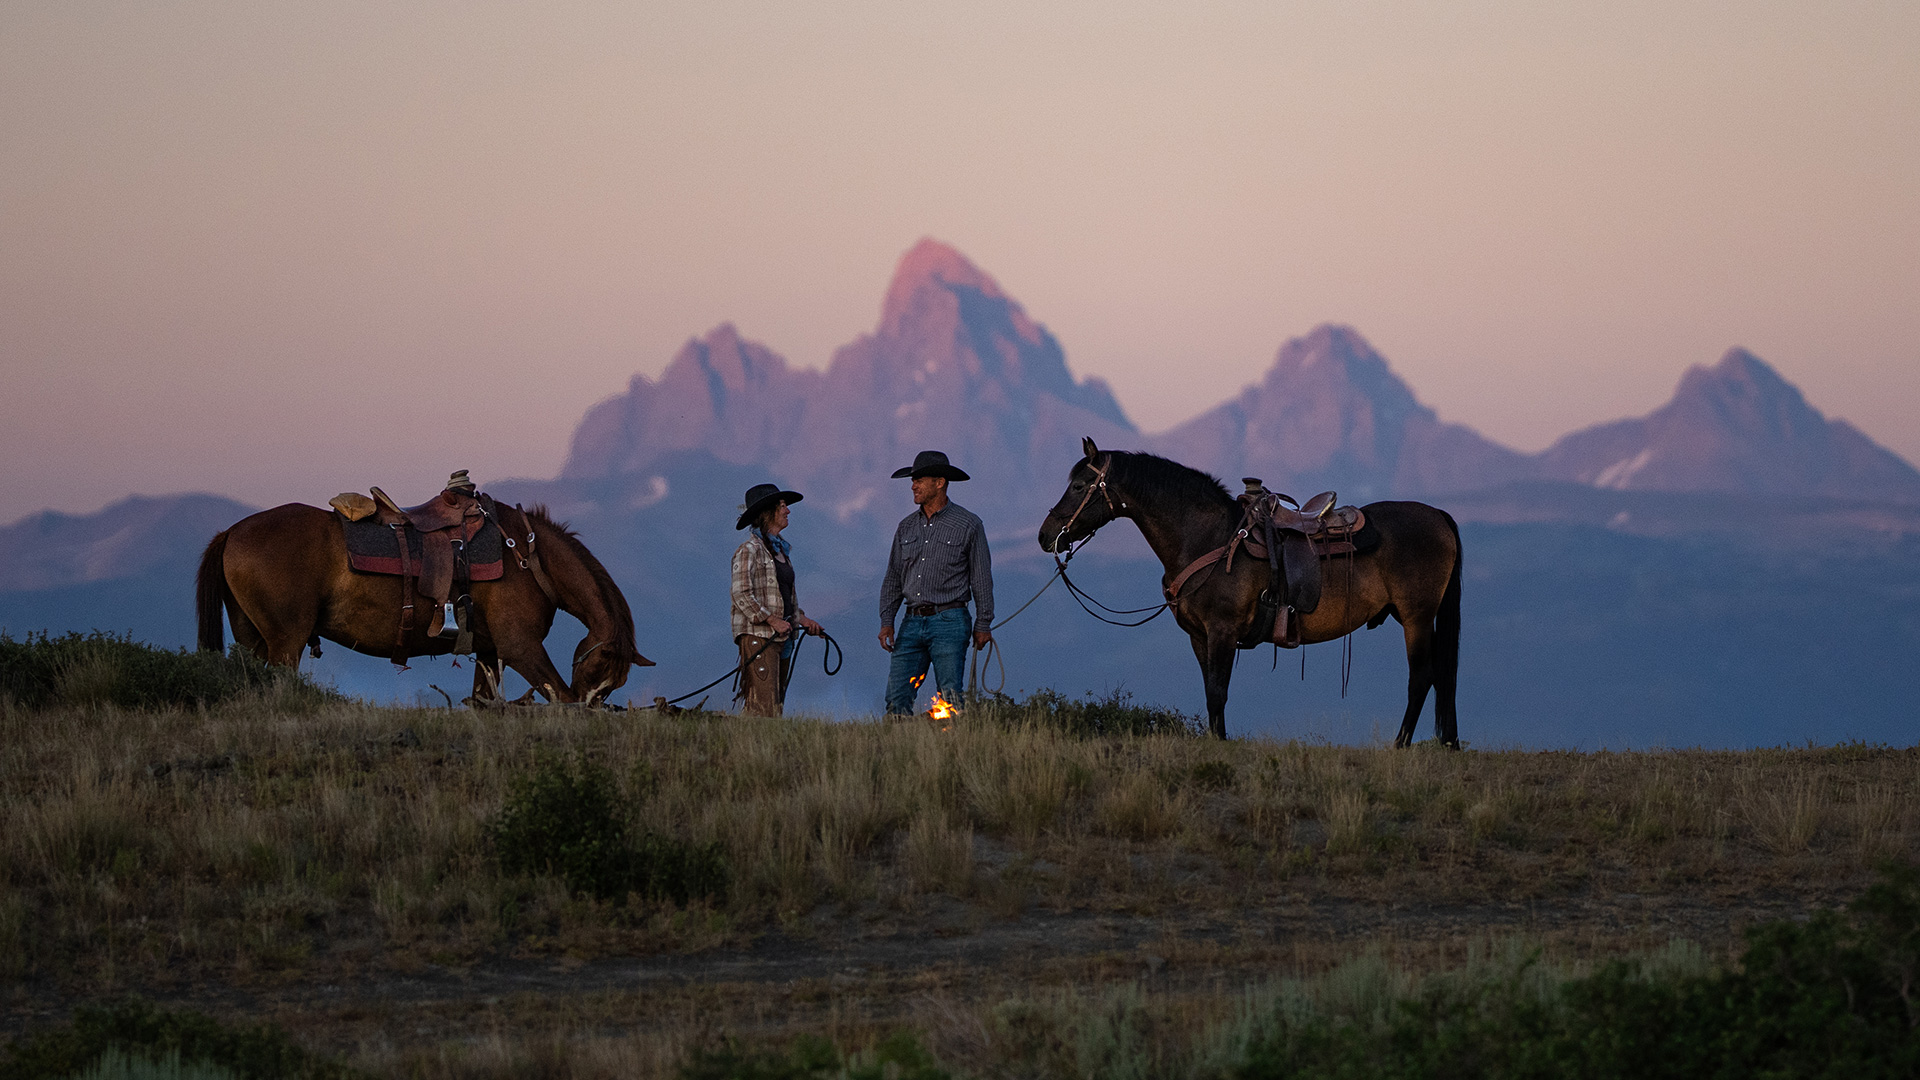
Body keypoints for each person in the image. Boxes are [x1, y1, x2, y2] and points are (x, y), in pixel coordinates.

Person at [878, 450, 994, 715]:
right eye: (913, 479)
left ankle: (952, 748)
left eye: (919, 479)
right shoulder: (905, 527)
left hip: (950, 620)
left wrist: (983, 623)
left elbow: (981, 578)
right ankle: (899, 748)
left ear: (939, 482)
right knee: (897, 697)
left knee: (950, 695)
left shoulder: (969, 524)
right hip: (911, 621)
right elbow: (893, 577)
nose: (913, 485)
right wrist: (887, 621)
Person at [731, 482, 823, 716]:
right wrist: (772, 620)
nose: (787, 510)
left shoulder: (780, 553)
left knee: (775, 702)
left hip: (781, 637)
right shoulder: (749, 550)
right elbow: (740, 593)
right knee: (764, 705)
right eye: (782, 505)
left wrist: (800, 619)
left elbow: (784, 597)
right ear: (767, 512)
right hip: (760, 637)